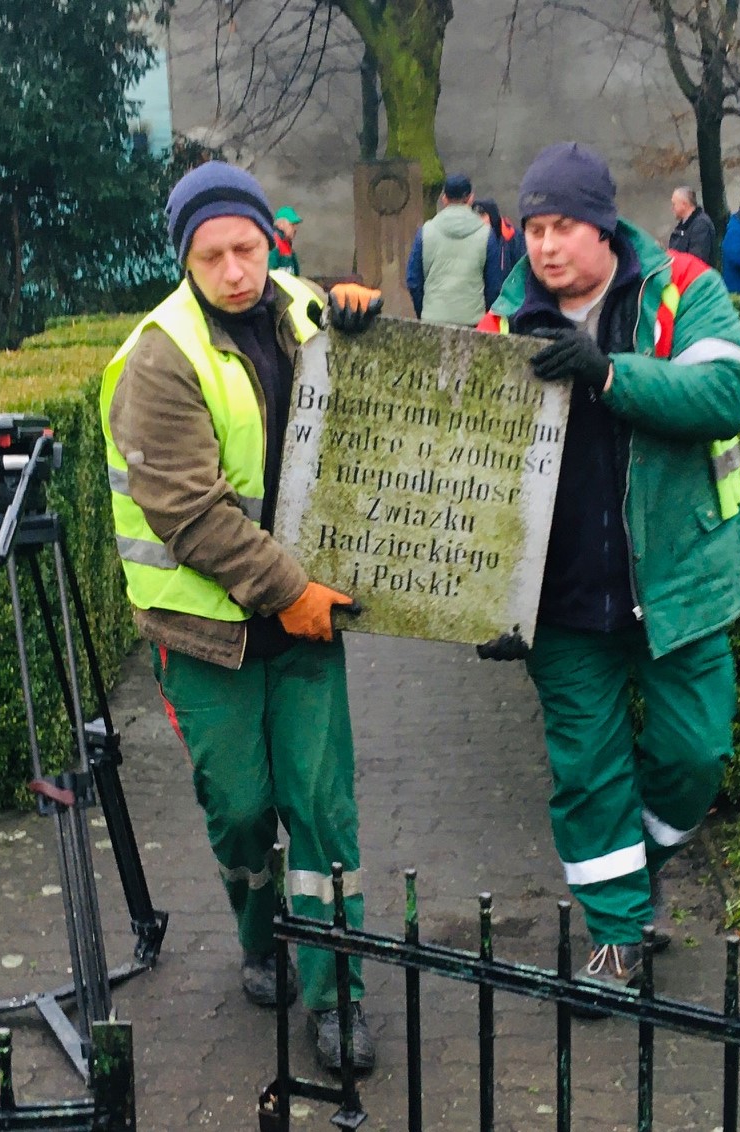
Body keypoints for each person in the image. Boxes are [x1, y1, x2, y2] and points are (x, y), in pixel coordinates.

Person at [100, 161, 384, 1072]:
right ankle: (260, 936)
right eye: (213, 254)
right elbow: (185, 514)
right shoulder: (159, 356)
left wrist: (375, 323)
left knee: (320, 811)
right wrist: (290, 590)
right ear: (185, 258)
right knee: (239, 809)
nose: (235, 271)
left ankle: (340, 993)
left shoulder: (302, 307)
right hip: (207, 634)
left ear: (271, 242)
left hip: (304, 630)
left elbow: (402, 398)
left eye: (249, 248)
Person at [477, 142, 740, 995]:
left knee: (695, 752)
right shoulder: (506, 317)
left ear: (603, 227)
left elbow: (722, 397)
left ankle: (632, 873)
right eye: (532, 229)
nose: (545, 246)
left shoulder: (684, 287)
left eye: (562, 227)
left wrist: (607, 373)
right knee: (587, 772)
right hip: (562, 603)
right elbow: (460, 457)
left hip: (677, 584)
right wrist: (483, 602)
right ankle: (616, 937)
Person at [405, 173, 503, 326]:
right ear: (470, 198)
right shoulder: (486, 235)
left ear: (444, 198)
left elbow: (413, 281)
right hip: (473, 320)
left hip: (433, 319)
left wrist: (424, 311)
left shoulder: (425, 232)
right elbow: (494, 286)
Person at [473, 197, 527, 277]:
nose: (479, 220)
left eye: (483, 216)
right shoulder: (473, 237)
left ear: (492, 215)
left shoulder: (514, 237)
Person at [667, 186, 716, 264]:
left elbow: (696, 261)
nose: (672, 208)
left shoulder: (701, 225)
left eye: (674, 204)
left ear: (684, 205)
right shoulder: (684, 225)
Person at [269, 205, 302, 275]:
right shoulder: (273, 244)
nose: (295, 229)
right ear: (281, 224)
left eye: (296, 225)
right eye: (292, 225)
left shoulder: (287, 245)